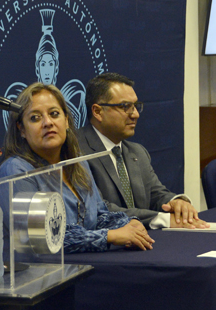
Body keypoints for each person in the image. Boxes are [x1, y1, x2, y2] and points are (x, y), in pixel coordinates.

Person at [0, 82, 154, 253]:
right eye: (35, 118)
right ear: (21, 129)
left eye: (54, 114)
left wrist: (128, 223)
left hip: (81, 265)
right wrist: (109, 236)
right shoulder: (15, 171)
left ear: (66, 121)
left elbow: (100, 215)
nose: (47, 123)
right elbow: (40, 238)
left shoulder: (77, 163)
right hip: (24, 268)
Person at [77, 73, 208, 229]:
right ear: (98, 111)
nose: (135, 114)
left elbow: (155, 194)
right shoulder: (75, 152)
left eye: (135, 106)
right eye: (125, 106)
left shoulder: (137, 152)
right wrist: (161, 219)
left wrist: (176, 202)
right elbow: (100, 209)